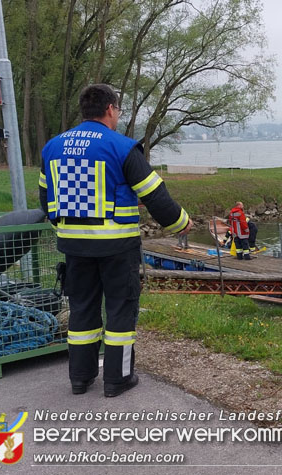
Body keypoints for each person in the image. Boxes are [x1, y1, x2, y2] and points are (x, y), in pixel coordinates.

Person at [39, 84, 191, 397]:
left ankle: (80, 379)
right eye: (118, 110)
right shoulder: (121, 147)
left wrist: (66, 225)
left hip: (74, 247)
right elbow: (155, 197)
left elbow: (46, 199)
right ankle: (116, 380)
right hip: (116, 248)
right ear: (110, 109)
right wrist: (182, 223)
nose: (118, 115)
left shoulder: (52, 147)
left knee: (82, 310)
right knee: (120, 311)